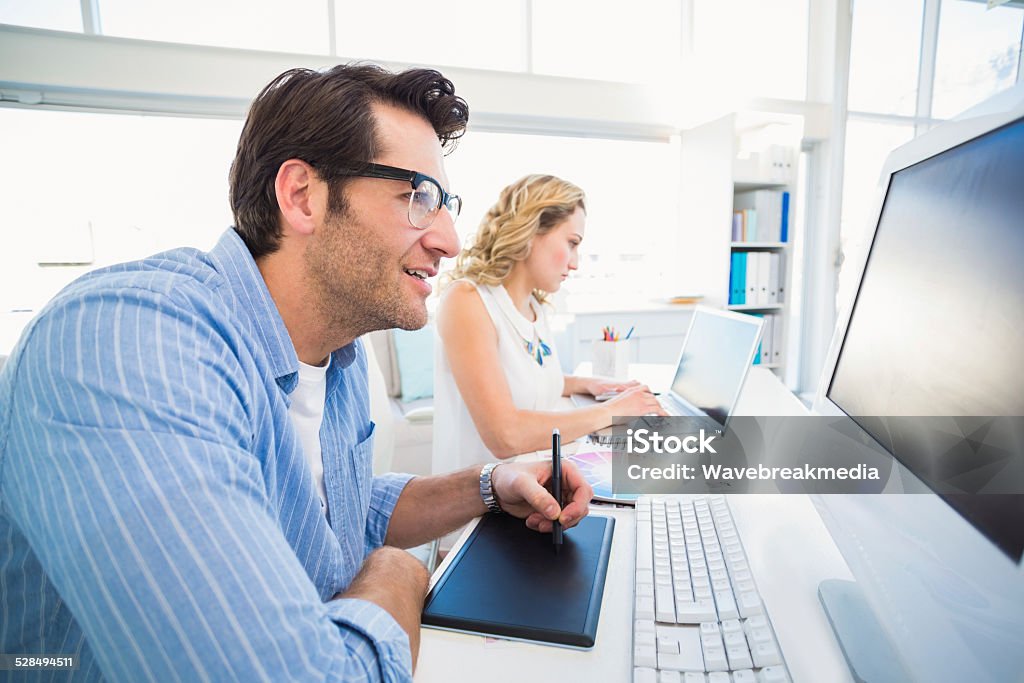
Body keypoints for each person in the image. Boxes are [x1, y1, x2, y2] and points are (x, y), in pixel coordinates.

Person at [0, 64, 592, 681]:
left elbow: (340, 511)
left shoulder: (336, 354)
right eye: (418, 197)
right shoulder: (131, 342)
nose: (447, 238)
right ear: (302, 196)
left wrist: (492, 484)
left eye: (445, 205)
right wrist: (397, 570)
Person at [433, 174, 664, 473]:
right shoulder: (467, 300)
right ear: (530, 230)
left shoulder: (534, 306)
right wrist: (612, 411)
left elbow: (526, 376)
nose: (575, 262)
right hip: (481, 505)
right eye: (572, 243)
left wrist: (590, 384)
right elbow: (505, 436)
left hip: (533, 480)